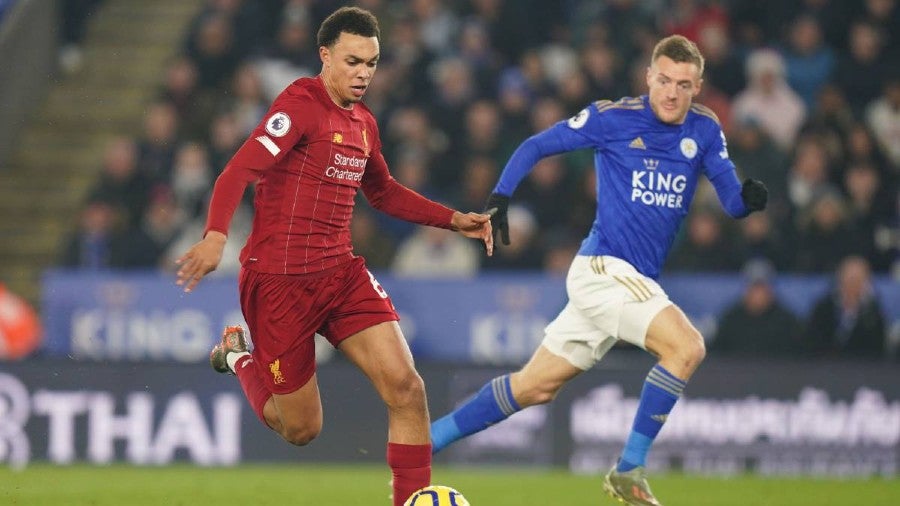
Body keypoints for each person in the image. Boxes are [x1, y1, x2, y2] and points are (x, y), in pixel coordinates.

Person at [429, 35, 768, 506]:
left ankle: (423, 443)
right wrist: (500, 196)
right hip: (604, 268)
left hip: (631, 281)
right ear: (649, 76)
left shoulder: (706, 130)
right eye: (664, 80)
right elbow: (536, 145)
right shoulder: (614, 118)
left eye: (684, 85)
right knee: (686, 347)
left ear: (698, 87)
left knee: (534, 386)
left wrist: (747, 200)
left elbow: (730, 200)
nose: (672, 93)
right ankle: (629, 469)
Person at [173, 8, 493, 506]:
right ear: (325, 56)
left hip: (340, 274)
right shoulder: (299, 103)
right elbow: (236, 172)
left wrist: (453, 220)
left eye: (372, 62)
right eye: (353, 61)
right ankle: (238, 355)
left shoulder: (364, 123)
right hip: (279, 282)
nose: (364, 73)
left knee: (408, 390)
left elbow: (383, 193)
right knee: (300, 429)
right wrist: (216, 237)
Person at [803, 255, 886, 358]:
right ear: (840, 279)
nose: (852, 285)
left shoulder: (873, 314)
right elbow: (812, 340)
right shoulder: (824, 308)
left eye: (858, 280)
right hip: (824, 366)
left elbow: (877, 348)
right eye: (849, 279)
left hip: (861, 368)